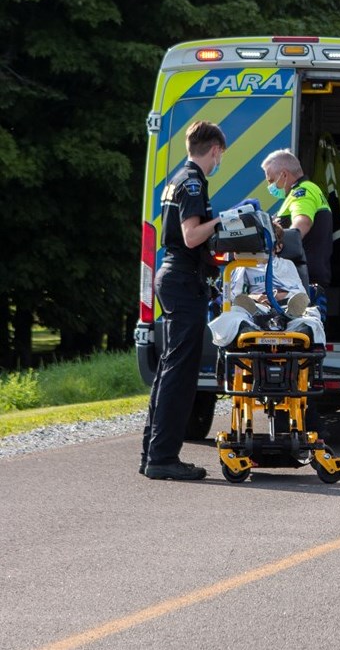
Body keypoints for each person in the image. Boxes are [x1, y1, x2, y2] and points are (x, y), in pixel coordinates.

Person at [141, 121, 226, 481]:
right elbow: (192, 236)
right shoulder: (193, 181)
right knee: (180, 373)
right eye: (221, 154)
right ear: (215, 150)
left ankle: (154, 453)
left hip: (173, 278)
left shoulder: (177, 178)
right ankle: (163, 458)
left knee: (168, 370)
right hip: (183, 279)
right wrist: (224, 220)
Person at [262, 150, 334, 289]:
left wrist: (278, 245)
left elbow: (301, 223)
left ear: (284, 174)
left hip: (301, 281)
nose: (270, 186)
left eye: (271, 180)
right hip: (304, 278)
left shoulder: (303, 192)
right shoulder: (304, 192)